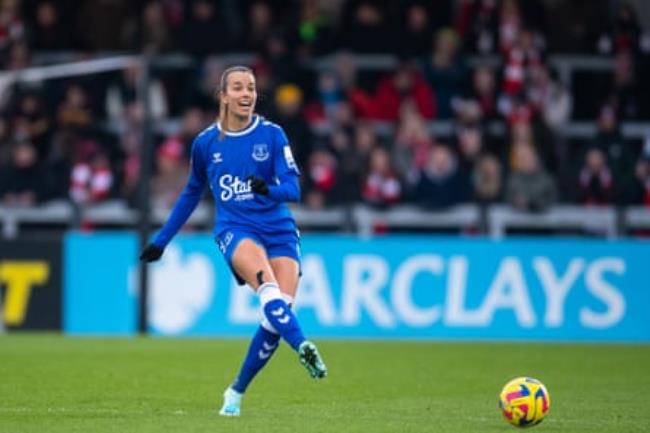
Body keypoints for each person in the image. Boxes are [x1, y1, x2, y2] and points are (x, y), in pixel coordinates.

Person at [139, 65, 327, 417]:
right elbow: (191, 193)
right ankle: (303, 345)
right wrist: (162, 240)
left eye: (251, 88)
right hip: (235, 229)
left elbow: (294, 189)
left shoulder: (272, 134)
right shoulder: (205, 143)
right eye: (238, 88)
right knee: (269, 292)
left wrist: (268, 190)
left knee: (277, 317)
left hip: (279, 229)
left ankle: (236, 390)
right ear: (223, 95)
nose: (246, 94)